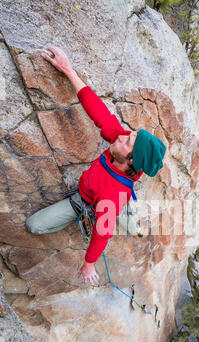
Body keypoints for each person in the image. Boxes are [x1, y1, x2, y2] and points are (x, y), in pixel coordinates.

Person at [26, 45, 166, 286]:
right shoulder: (122, 147)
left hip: (91, 200)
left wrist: (88, 264)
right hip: (111, 197)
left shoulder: (110, 196)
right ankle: (131, 219)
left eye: (127, 140)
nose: (121, 136)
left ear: (131, 160)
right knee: (122, 213)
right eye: (129, 134)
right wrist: (67, 69)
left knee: (34, 225)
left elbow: (102, 234)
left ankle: (131, 222)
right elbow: (99, 112)